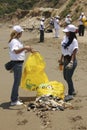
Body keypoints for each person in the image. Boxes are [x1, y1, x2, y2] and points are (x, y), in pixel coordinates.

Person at [8, 25, 35, 106]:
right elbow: (16, 51)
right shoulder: (14, 41)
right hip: (17, 64)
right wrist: (24, 48)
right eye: (21, 32)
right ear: (18, 33)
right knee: (17, 82)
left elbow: (18, 52)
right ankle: (14, 100)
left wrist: (28, 50)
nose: (22, 34)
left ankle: (15, 97)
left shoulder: (16, 40)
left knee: (17, 81)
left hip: (18, 63)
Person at [58, 24, 78, 101]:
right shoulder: (65, 38)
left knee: (68, 77)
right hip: (66, 60)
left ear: (71, 32)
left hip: (71, 61)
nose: (65, 33)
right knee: (65, 77)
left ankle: (70, 93)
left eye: (67, 32)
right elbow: (63, 50)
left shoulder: (74, 41)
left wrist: (72, 61)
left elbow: (74, 51)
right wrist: (61, 59)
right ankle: (72, 90)